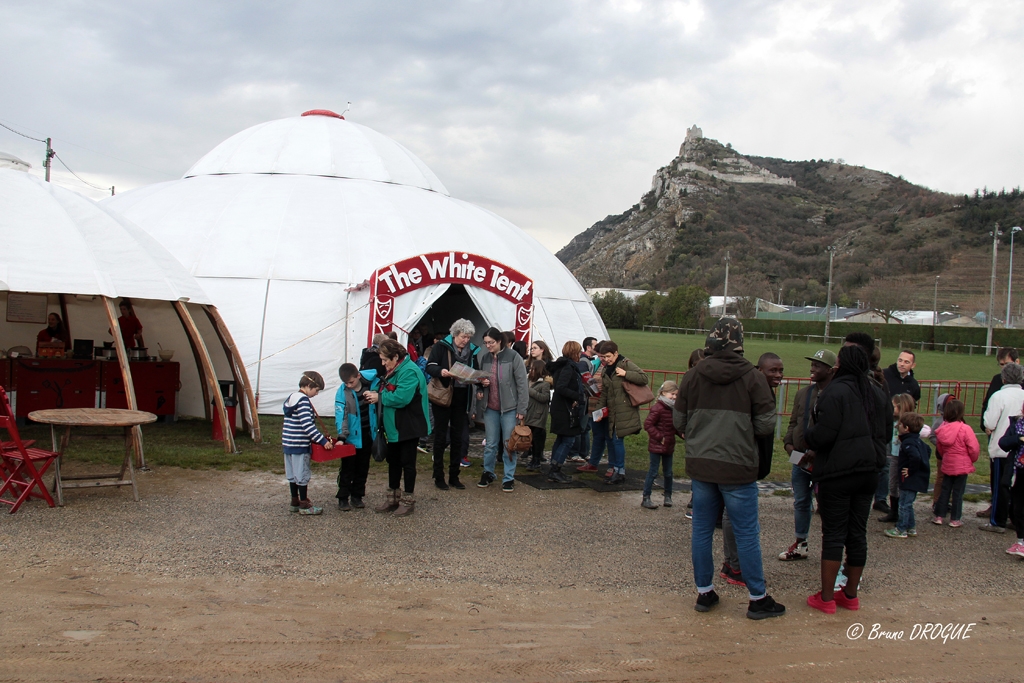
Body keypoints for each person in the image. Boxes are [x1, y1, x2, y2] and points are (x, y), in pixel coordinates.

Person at [674, 318, 784, 619]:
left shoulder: (693, 376)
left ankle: (704, 592)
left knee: (701, 531)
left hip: (702, 466)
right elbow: (765, 424)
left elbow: (679, 422)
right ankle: (757, 598)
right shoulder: (753, 378)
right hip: (738, 467)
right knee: (747, 533)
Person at [804, 344, 886, 614]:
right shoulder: (876, 392)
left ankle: (826, 597)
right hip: (869, 471)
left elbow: (823, 434)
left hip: (838, 472)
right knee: (857, 533)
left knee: (834, 534)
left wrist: (809, 437)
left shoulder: (834, 392)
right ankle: (850, 594)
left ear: (842, 364)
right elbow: (884, 432)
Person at [719, 352, 784, 585]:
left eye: (780, 371)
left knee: (731, 515)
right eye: (772, 371)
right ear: (759, 370)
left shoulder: (766, 392)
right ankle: (736, 567)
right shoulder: (753, 391)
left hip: (752, 461)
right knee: (738, 518)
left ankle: (730, 563)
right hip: (742, 461)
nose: (778, 375)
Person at [779, 348, 836, 561]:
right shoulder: (803, 393)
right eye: (812, 364)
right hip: (799, 457)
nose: (812, 369)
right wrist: (788, 445)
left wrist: (816, 450)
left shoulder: (836, 394)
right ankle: (800, 542)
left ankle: (832, 549)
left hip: (824, 459)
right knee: (801, 500)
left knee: (828, 505)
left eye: (817, 365)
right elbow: (793, 422)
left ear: (830, 370)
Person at [366, 339, 430, 516]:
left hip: (409, 424)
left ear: (396, 356)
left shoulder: (409, 371)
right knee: (393, 461)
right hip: (394, 424)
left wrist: (379, 397)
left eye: (385, 360)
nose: (383, 363)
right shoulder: (395, 369)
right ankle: (392, 498)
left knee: (407, 463)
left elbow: (402, 397)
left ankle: (408, 500)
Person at [424, 319, 479, 490]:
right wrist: (441, 371)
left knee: (458, 437)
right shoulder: (441, 347)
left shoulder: (472, 351)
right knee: (440, 436)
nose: (466, 340)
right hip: (444, 395)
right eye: (463, 336)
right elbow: (430, 366)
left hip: (462, 396)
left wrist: (477, 379)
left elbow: (475, 370)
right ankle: (438, 475)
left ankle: (454, 476)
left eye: (468, 337)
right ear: (455, 334)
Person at [473, 327, 528, 492]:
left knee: (508, 444)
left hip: (510, 408)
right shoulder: (484, 358)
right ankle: (488, 472)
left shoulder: (513, 357)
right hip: (491, 407)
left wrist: (522, 408)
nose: (488, 346)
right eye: (485, 343)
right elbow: (480, 379)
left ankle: (508, 477)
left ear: (499, 341)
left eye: (491, 343)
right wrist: (482, 387)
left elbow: (522, 384)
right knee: (490, 443)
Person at [593, 341, 648, 485]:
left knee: (617, 440)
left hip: (624, 410)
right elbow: (605, 393)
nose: (606, 359)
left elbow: (644, 378)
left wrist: (626, 374)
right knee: (613, 440)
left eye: (609, 356)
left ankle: (619, 471)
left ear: (616, 353)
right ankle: (616, 469)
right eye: (604, 357)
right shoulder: (606, 370)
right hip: (612, 411)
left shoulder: (625, 364)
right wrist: (598, 411)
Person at [981, 361, 1024, 532]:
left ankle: (998, 520)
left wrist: (988, 427)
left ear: (1004, 378)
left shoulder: (998, 396)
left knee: (1000, 486)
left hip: (1002, 447)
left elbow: (990, 422)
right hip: (1020, 449)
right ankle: (1016, 518)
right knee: (1019, 486)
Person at [282, 371, 333, 515]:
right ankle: (304, 504)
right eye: (316, 390)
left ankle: (294, 501)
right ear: (310, 386)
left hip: (288, 444)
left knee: (292, 474)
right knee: (302, 474)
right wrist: (323, 441)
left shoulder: (291, 398)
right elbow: (308, 426)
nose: (316, 394)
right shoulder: (303, 401)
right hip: (299, 445)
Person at [334, 363, 381, 510]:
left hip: (368, 433)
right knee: (347, 468)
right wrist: (342, 436)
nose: (349, 385)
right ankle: (343, 497)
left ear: (358, 376)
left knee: (363, 467)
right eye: (346, 383)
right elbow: (341, 415)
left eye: (351, 382)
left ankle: (357, 495)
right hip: (351, 437)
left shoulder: (374, 384)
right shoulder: (342, 392)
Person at [933, 399, 979, 526]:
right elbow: (973, 447)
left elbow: (940, 448)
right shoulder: (965, 429)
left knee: (945, 490)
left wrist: (946, 457)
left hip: (948, 462)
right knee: (958, 493)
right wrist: (972, 459)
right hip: (962, 464)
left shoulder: (942, 429)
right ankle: (955, 518)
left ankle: (939, 516)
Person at [884, 412, 930, 538]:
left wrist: (911, 470)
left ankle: (901, 528)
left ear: (906, 428)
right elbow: (928, 451)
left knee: (904, 504)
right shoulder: (918, 441)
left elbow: (915, 456)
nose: (898, 426)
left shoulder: (908, 443)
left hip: (910, 479)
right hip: (916, 479)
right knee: (908, 503)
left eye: (900, 425)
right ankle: (911, 526)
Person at [546, 341, 586, 484]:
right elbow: (561, 387)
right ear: (574, 353)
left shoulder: (562, 366)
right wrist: (577, 396)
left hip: (560, 407)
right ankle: (555, 469)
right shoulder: (568, 368)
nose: (580, 354)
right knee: (568, 440)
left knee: (561, 438)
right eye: (579, 351)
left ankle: (554, 467)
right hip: (564, 409)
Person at [877, 394, 917, 524]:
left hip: (904, 458)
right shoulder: (892, 422)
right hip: (893, 456)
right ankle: (893, 511)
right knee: (893, 484)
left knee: (902, 485)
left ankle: (902, 513)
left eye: (893, 406)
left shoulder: (908, 425)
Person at [641, 380, 679, 509]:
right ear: (663, 393)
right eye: (671, 394)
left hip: (668, 445)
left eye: (675, 395)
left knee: (668, 472)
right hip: (657, 445)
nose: (673, 397)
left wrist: (682, 433)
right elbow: (648, 424)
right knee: (653, 471)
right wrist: (659, 437)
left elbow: (674, 426)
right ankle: (646, 496)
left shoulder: (673, 409)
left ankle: (668, 495)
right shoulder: (658, 408)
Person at [996, 413, 1024, 557]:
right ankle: (1021, 542)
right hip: (1018, 470)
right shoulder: (1017, 425)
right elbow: (1003, 443)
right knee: (1017, 507)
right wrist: (1018, 439)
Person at [524, 361, 551, 472]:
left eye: (533, 369)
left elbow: (545, 398)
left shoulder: (545, 384)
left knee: (537, 438)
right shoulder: (527, 381)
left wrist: (530, 391)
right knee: (529, 437)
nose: (531, 370)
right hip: (528, 413)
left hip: (538, 415)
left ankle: (536, 459)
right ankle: (531, 456)